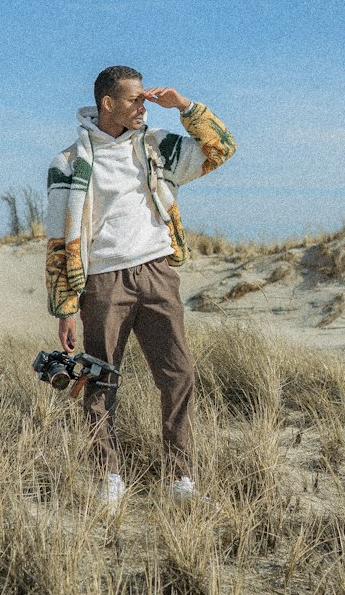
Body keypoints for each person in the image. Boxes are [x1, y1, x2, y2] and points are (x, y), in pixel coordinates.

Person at [45, 65, 236, 505]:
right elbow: (59, 239)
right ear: (107, 104)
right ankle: (108, 475)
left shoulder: (156, 146)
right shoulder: (67, 164)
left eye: (145, 99)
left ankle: (181, 479)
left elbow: (221, 148)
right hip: (101, 281)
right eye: (135, 99)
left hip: (156, 272)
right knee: (100, 382)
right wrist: (65, 307)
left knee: (178, 373)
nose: (143, 106)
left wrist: (185, 107)